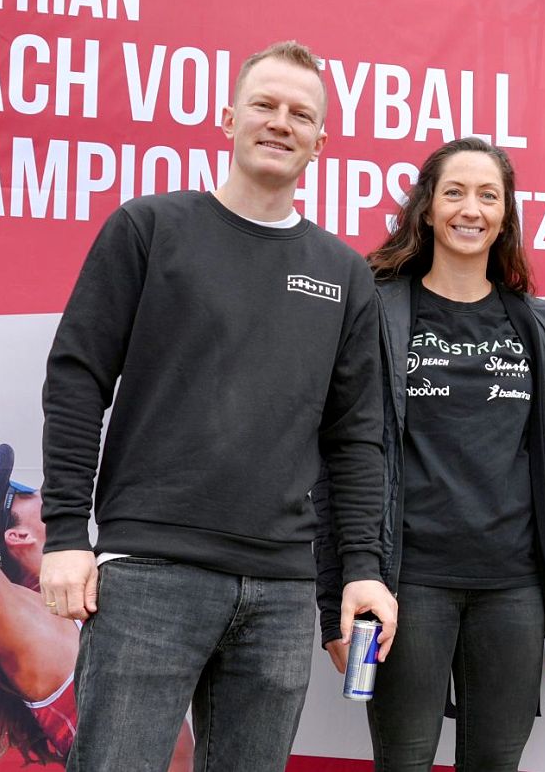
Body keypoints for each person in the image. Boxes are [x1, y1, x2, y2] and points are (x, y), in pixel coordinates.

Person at [39, 40, 393, 771]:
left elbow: (357, 439)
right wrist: (67, 532)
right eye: (264, 104)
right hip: (148, 577)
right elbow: (77, 379)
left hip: (282, 591)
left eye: (301, 113)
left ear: (321, 143)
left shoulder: (344, 274)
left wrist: (361, 567)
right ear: (227, 117)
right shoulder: (149, 229)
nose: (280, 122)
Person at [314, 137, 545, 771]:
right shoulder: (378, 309)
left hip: (513, 589)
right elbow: (341, 462)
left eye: (488, 195)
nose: (472, 209)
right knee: (404, 762)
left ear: (506, 215)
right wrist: (335, 593)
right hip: (404, 587)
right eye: (455, 192)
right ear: (429, 208)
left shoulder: (537, 326)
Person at [0, 358, 191, 769]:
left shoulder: (69, 595)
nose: (42, 489)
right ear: (17, 535)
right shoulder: (15, 619)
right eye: (22, 490)